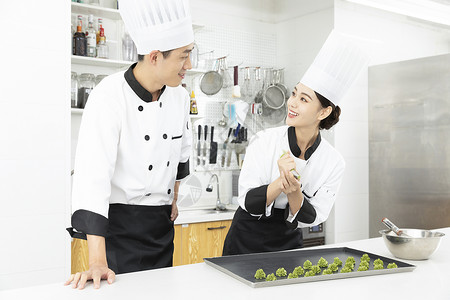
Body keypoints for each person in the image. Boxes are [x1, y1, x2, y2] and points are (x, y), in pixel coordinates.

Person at [65, 0, 195, 289]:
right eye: (184, 56)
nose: (189, 65)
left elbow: (181, 154)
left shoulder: (180, 97)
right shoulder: (109, 96)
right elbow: (92, 178)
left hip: (161, 231)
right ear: (154, 56)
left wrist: (173, 198)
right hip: (117, 233)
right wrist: (97, 261)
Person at [222, 30, 369, 256]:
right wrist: (280, 183)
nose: (292, 103)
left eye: (303, 99)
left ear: (324, 111)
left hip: (288, 244)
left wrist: (294, 191)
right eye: (294, 94)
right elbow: (248, 202)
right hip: (245, 242)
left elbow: (314, 216)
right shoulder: (264, 141)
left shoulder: (333, 162)